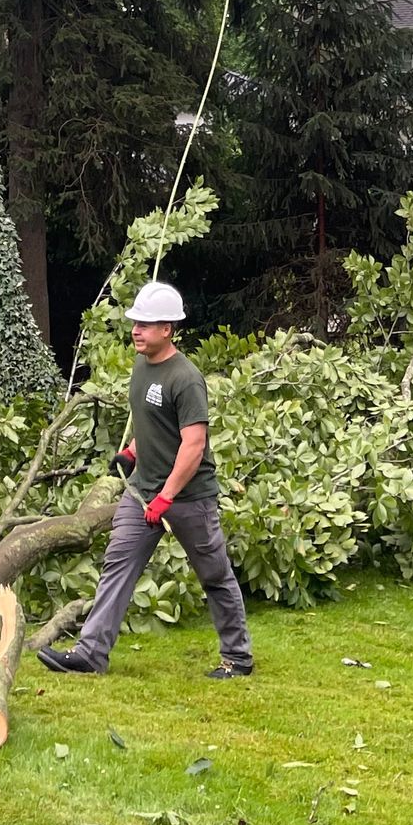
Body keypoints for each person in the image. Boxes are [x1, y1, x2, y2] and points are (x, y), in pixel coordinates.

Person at [39, 280, 253, 680]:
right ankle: (90, 653)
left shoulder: (185, 378)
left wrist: (167, 497)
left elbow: (193, 444)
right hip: (142, 493)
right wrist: (132, 452)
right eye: (135, 323)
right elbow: (154, 425)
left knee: (215, 575)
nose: (136, 330)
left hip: (189, 498)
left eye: (145, 324)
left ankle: (237, 658)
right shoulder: (141, 367)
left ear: (167, 329)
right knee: (117, 566)